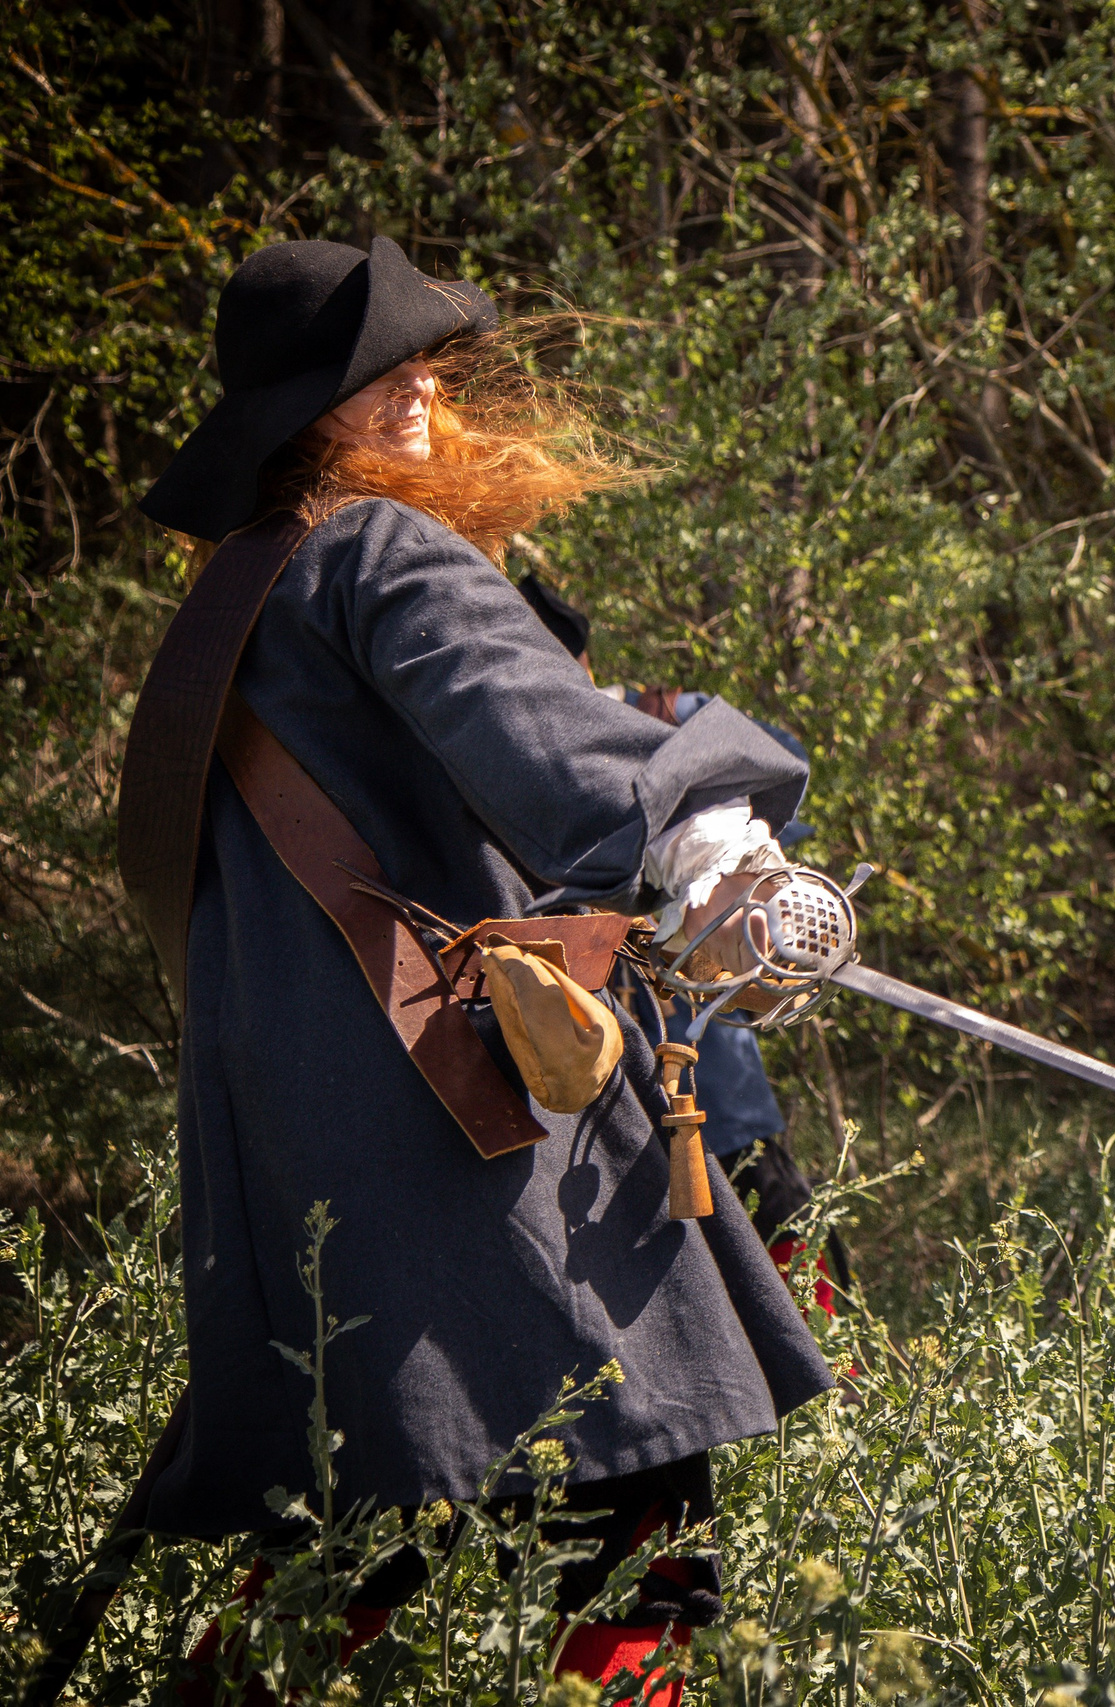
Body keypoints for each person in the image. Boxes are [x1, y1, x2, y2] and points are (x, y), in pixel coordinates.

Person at [128, 235, 835, 1702]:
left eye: (422, 370)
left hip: (300, 1157)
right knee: (637, 1490)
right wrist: (711, 844)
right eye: (376, 375)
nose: (418, 396)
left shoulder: (223, 610)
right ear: (300, 414)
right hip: (458, 1135)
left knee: (362, 1532)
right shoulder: (378, 548)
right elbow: (542, 734)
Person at [517, 574, 847, 1315]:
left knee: (789, 1248)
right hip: (601, 1075)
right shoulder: (515, 773)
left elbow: (774, 775)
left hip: (714, 1077)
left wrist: (675, 804)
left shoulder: (664, 721)